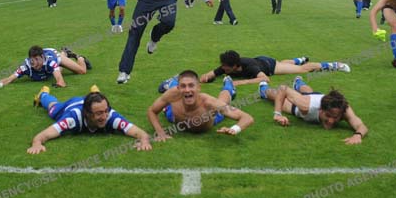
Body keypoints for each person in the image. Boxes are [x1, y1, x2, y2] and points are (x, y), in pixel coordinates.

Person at [27, 87, 152, 154]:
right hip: (71, 104)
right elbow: (42, 136)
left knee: (100, 105)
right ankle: (43, 94)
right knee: (53, 108)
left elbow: (140, 133)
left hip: (89, 104)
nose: (104, 116)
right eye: (99, 113)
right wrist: (37, 144)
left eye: (105, 111)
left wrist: (144, 141)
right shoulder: (72, 118)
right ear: (87, 114)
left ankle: (95, 92)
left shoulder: (111, 117)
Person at [260, 77, 368, 145]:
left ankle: (299, 83)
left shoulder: (344, 110)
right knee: (275, 96)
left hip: (314, 96)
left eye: (335, 117)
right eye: (328, 115)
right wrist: (278, 114)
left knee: (309, 92)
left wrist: (357, 135)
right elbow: (283, 89)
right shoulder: (305, 105)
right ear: (321, 109)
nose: (331, 121)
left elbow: (361, 126)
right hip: (303, 104)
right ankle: (263, 90)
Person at [149, 70, 254, 140]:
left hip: (209, 120)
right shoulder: (172, 94)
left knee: (223, 101)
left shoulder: (208, 102)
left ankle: (228, 86)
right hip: (173, 117)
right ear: (178, 88)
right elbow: (152, 111)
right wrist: (160, 132)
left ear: (199, 87)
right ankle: (172, 81)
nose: (187, 90)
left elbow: (247, 117)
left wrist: (234, 129)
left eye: (191, 85)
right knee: (168, 108)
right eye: (183, 86)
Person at [200, 50, 349, 86]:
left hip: (270, 66)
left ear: (234, 66)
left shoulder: (250, 67)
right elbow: (211, 73)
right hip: (261, 59)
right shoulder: (226, 66)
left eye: (226, 67)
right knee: (286, 64)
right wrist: (206, 77)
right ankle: (299, 59)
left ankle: (335, 65)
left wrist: (240, 82)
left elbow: (265, 79)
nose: (223, 69)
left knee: (302, 69)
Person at [0, 45, 92, 88]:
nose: (35, 63)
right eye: (32, 60)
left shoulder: (50, 62)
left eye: (37, 60)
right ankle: (65, 52)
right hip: (51, 66)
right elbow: (10, 79)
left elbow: (61, 81)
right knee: (58, 70)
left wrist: (59, 84)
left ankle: (78, 57)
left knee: (82, 71)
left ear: (42, 58)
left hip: (55, 55)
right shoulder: (26, 66)